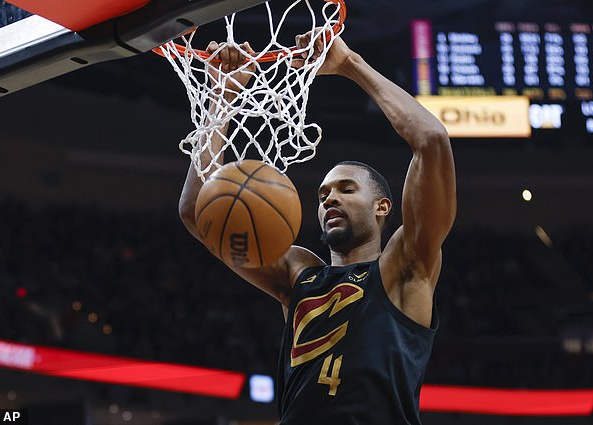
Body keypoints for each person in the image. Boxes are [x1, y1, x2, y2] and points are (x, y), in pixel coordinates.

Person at [179, 33, 456, 425]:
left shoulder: (404, 269)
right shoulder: (299, 273)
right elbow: (197, 211)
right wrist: (221, 98)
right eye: (323, 194)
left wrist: (349, 64)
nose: (329, 199)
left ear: (383, 207)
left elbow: (430, 140)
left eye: (346, 189)